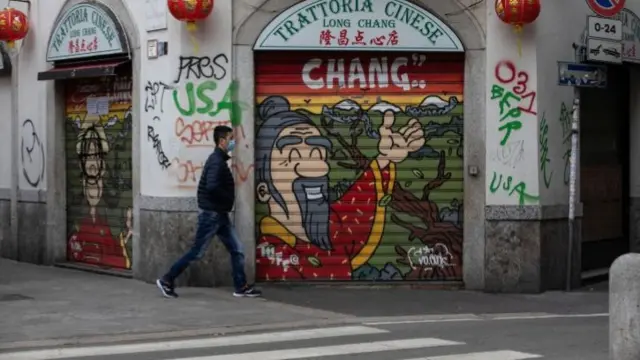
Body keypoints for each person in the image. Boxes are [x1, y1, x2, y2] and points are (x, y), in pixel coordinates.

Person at [156, 125, 261, 298]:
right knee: (197, 252)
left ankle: (241, 287)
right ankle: (167, 280)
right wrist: (226, 199)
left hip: (219, 214)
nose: (233, 142)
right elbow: (212, 187)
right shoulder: (216, 161)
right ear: (222, 141)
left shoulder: (218, 160)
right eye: (231, 139)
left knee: (237, 249)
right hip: (212, 214)